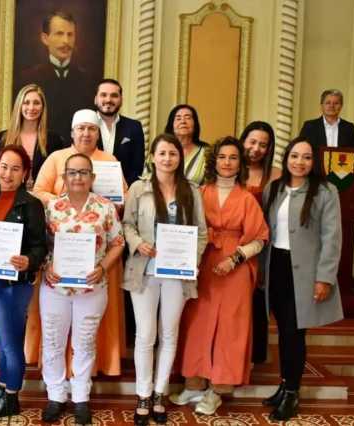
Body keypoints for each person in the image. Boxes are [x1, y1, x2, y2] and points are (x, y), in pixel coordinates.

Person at [171, 137, 269, 415]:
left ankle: (218, 389)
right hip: (202, 265)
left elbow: (261, 238)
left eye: (233, 157)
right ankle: (194, 382)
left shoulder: (247, 198)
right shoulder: (199, 192)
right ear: (215, 161)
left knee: (230, 327)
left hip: (235, 268)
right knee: (196, 322)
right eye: (223, 157)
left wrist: (234, 258)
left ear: (241, 163)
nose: (227, 162)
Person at [27, 109, 127, 379]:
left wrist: (115, 203)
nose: (85, 133)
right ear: (72, 132)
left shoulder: (110, 160)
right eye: (80, 128)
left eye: (91, 129)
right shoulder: (56, 158)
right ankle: (56, 392)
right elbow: (37, 192)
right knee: (54, 338)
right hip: (57, 274)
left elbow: (124, 198)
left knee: (87, 335)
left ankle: (84, 387)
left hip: (97, 262)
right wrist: (61, 201)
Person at [122, 133, 207, 425]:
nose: (167, 158)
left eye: (173, 153)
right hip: (144, 270)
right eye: (162, 153)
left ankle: (160, 394)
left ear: (179, 158)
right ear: (153, 157)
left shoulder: (192, 191)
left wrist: (191, 262)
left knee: (169, 334)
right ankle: (143, 395)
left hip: (177, 274)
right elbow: (127, 224)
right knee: (145, 335)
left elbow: (202, 233)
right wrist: (137, 243)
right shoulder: (138, 188)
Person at [262, 137, 343, 421]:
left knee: (295, 334)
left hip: (306, 274)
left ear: (314, 161)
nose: (300, 162)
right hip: (277, 268)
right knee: (283, 331)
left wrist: (325, 278)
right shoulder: (273, 188)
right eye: (294, 156)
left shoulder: (325, 191)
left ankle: (293, 394)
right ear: (286, 159)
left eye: (306, 157)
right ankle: (284, 385)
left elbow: (332, 237)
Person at [39, 153, 125, 424]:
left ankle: (80, 397)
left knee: (84, 343)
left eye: (83, 172)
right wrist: (45, 265)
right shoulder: (51, 207)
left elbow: (118, 243)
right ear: (64, 177)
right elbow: (39, 244)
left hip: (92, 288)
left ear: (92, 177)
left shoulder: (105, 208)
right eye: (72, 172)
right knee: (53, 341)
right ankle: (55, 395)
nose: (78, 177)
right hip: (55, 287)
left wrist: (103, 268)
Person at [0, 145, 47, 419]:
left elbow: (41, 246)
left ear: (25, 173)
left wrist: (29, 260)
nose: (8, 173)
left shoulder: (32, 204)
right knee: (1, 342)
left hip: (15, 285)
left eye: (15, 168)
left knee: (11, 343)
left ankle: (12, 398)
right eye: (4, 166)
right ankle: (2, 390)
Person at [17, 11, 95, 143]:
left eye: (70, 35)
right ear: (45, 38)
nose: (66, 41)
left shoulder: (88, 81)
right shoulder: (27, 78)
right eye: (59, 34)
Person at [239, 120, 279, 365]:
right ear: (243, 141)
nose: (256, 148)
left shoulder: (275, 175)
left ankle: (254, 354)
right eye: (252, 142)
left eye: (263, 145)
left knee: (257, 297)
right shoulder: (231, 168)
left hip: (263, 244)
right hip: (234, 242)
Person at [0, 84, 65, 191]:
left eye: (36, 103)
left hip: (43, 201)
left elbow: (58, 177)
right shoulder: (2, 138)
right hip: (10, 199)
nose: (31, 108)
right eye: (26, 103)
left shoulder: (54, 140)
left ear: (43, 107)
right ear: (19, 106)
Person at [95, 78, 145, 185]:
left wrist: (124, 190)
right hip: (89, 193)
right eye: (103, 95)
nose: (108, 99)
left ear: (121, 100)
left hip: (124, 194)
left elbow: (137, 167)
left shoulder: (134, 127)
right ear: (95, 99)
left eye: (114, 95)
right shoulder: (85, 126)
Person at [299, 89, 354, 174]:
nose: (331, 106)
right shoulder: (309, 126)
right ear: (321, 106)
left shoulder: (349, 128)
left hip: (341, 175)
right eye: (328, 103)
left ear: (341, 106)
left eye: (336, 103)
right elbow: (302, 150)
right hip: (314, 174)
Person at [164, 104, 209, 185]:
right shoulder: (160, 149)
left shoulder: (207, 152)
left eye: (188, 118)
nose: (183, 121)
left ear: (195, 124)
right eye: (178, 118)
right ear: (171, 125)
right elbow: (148, 179)